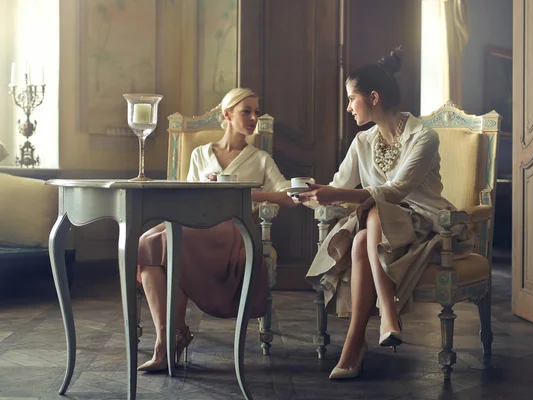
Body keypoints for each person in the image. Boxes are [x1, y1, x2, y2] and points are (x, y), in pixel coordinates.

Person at [293, 47, 473, 380]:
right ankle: (366, 333)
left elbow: (396, 190)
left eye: (351, 99)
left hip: (426, 224)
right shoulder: (363, 141)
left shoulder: (424, 137)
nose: (348, 107)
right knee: (364, 232)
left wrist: (339, 193)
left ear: (373, 97)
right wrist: (308, 197)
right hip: (381, 230)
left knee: (375, 210)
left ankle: (368, 332)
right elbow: (338, 188)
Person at [137, 88, 296, 372]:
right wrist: (206, 188)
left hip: (232, 233)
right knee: (145, 243)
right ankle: (167, 339)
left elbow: (287, 196)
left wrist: (246, 195)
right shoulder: (200, 154)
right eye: (246, 111)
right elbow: (185, 197)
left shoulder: (260, 159)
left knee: (169, 242)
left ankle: (168, 343)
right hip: (195, 223)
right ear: (227, 114)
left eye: (256, 112)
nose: (253, 118)